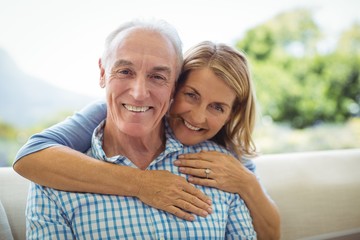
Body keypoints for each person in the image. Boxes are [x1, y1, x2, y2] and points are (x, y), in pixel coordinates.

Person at [15, 30, 280, 240]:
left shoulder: (226, 164)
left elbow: (270, 235)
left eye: (217, 107)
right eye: (191, 95)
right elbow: (30, 156)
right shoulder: (107, 113)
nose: (198, 117)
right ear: (175, 88)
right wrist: (142, 184)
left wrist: (247, 183)